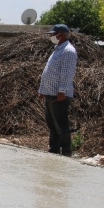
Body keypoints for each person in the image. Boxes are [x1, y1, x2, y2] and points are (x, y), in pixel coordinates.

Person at [38, 24, 78, 157]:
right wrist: (42, 90)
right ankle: (53, 151)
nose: (51, 36)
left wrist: (62, 91)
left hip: (59, 95)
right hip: (50, 93)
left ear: (60, 35)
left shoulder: (68, 51)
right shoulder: (57, 49)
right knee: (52, 125)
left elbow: (67, 74)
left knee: (61, 125)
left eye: (53, 34)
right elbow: (49, 71)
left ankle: (66, 152)